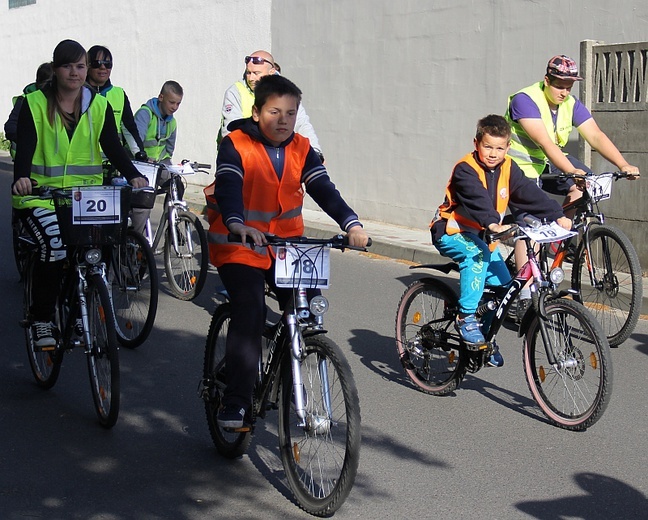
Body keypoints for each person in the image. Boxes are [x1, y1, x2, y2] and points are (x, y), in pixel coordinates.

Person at [208, 74, 368, 429]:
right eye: (274, 112)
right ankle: (235, 400)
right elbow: (229, 185)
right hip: (240, 243)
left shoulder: (301, 148)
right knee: (249, 309)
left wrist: (351, 223)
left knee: (310, 310)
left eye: (291, 113)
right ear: (256, 112)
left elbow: (322, 187)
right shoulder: (235, 143)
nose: (283, 120)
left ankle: (289, 359)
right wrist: (236, 223)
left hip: (288, 247)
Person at [11, 39, 148, 348]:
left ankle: (77, 308)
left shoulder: (98, 105)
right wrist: (21, 178)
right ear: (56, 69)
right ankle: (42, 318)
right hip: (39, 196)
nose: (75, 72)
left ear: (86, 71)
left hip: (82, 198)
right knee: (55, 246)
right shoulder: (34, 103)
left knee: (93, 248)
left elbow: (112, 145)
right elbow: (26, 149)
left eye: (80, 66)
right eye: (68, 66)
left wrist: (134, 175)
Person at [430, 114, 571, 367]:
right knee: (478, 256)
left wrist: (557, 215)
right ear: (476, 143)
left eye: (499, 147)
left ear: (508, 147)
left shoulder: (508, 167)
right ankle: (466, 318)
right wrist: (494, 224)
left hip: (485, 236)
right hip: (453, 232)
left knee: (506, 288)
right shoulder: (466, 169)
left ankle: (483, 338)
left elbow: (529, 194)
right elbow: (477, 199)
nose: (493, 153)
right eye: (487, 146)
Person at [505, 54, 640, 317]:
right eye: (559, 84)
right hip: (519, 167)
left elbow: (596, 136)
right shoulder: (525, 100)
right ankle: (524, 295)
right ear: (547, 80)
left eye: (569, 85)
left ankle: (557, 237)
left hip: (548, 161)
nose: (564, 91)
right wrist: (571, 169)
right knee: (529, 224)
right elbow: (545, 142)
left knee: (586, 184)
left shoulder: (571, 104)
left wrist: (623, 164)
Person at [217, 50, 324, 160]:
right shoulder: (236, 92)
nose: (251, 78)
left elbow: (301, 123)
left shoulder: (286, 90)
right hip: (244, 158)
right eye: (248, 72)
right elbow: (230, 131)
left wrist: (315, 152)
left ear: (271, 72)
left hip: (281, 157)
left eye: (256, 73)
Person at [130, 80, 183, 234]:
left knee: (176, 183)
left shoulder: (172, 122)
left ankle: (172, 223)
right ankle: (136, 241)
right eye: (171, 102)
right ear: (161, 97)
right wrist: (145, 158)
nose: (174, 107)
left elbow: (169, 149)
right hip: (141, 165)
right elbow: (136, 142)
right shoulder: (145, 114)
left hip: (159, 165)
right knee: (143, 203)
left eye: (178, 104)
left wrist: (170, 165)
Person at [85, 45, 147, 162]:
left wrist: (139, 153)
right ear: (88, 66)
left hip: (113, 165)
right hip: (84, 165)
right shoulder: (78, 93)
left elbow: (129, 129)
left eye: (107, 64)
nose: (103, 67)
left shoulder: (119, 94)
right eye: (97, 63)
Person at [4, 62, 53, 159]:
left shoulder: (61, 99)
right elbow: (10, 126)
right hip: (28, 160)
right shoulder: (26, 99)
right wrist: (27, 141)